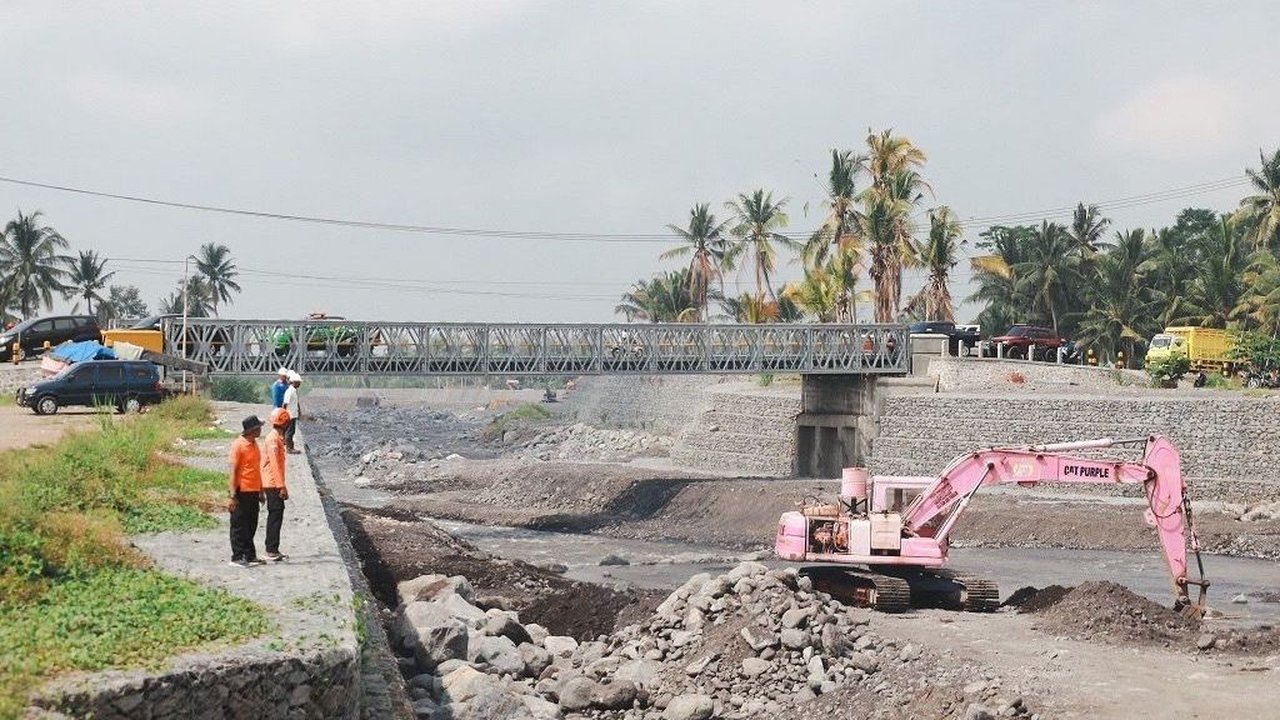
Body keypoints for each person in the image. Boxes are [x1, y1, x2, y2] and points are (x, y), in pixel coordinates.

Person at [228, 415, 266, 568]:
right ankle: (237, 556)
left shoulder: (254, 444)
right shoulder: (238, 445)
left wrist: (261, 491)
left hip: (253, 490)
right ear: (252, 430)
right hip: (241, 490)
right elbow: (233, 471)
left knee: (251, 524)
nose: (261, 430)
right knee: (239, 525)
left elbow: (256, 469)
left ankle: (250, 555)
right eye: (258, 428)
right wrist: (232, 495)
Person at [261, 408, 291, 561]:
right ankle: (271, 549)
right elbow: (275, 465)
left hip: (271, 481)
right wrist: (281, 486)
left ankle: (272, 548)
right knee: (275, 514)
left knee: (276, 513)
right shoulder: (273, 440)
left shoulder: (275, 437)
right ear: (285, 423)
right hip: (272, 483)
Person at [283, 370, 303, 454]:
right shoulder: (290, 391)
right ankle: (289, 448)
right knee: (290, 432)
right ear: (294, 382)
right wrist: (283, 414)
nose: (300, 384)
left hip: (293, 414)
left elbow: (295, 403)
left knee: (291, 431)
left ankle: (291, 447)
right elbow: (285, 403)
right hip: (290, 415)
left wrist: (299, 411)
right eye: (298, 382)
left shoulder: (293, 390)